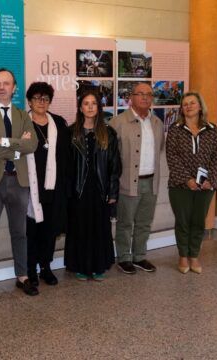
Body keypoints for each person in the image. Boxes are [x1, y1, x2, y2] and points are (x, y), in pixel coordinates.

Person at [0, 68, 39, 301]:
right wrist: (15, 147)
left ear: (14, 88)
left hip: (19, 182)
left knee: (19, 232)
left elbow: (31, 145)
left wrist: (2, 142)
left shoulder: (23, 116)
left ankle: (22, 276)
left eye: (6, 83)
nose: (1, 87)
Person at [64, 92, 121, 280]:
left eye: (94, 104)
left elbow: (115, 165)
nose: (90, 107)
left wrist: (112, 192)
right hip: (78, 190)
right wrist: (67, 192)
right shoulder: (71, 133)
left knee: (99, 228)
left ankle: (98, 266)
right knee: (79, 228)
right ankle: (80, 265)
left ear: (99, 108)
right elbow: (65, 165)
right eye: (86, 104)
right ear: (80, 108)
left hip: (99, 190)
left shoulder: (109, 133)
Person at [109, 83, 165, 274]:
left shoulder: (157, 123)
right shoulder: (118, 122)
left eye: (149, 94)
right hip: (128, 182)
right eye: (140, 94)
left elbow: (160, 149)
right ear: (130, 98)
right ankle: (124, 258)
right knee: (125, 223)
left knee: (144, 223)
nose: (145, 97)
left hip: (151, 181)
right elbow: (111, 156)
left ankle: (140, 256)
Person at [166, 92, 217, 274]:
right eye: (185, 104)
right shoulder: (175, 129)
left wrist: (210, 180)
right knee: (182, 221)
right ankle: (183, 256)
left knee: (198, 221)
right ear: (182, 109)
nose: (188, 106)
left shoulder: (212, 129)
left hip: (205, 187)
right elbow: (171, 157)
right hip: (180, 185)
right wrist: (187, 179)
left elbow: (216, 157)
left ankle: (194, 255)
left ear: (200, 106)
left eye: (192, 103)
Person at [25, 82, 71, 285]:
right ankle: (30, 269)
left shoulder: (59, 123)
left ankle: (45, 266)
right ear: (30, 100)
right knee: (31, 230)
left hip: (53, 186)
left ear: (50, 101)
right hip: (29, 187)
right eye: (37, 98)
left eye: (45, 99)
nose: (41, 102)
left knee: (50, 229)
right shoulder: (22, 123)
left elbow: (66, 156)